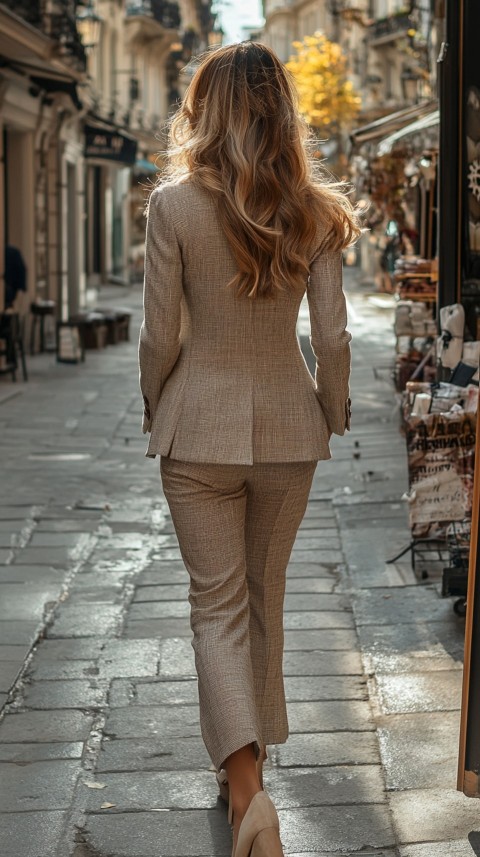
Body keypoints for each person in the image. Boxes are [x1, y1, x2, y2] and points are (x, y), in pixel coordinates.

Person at [138, 42, 360, 857]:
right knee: (263, 598)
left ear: (206, 109)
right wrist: (333, 410)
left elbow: (161, 333)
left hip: (197, 427)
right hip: (287, 430)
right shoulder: (317, 210)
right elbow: (331, 338)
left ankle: (247, 789)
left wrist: (156, 400)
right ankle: (248, 771)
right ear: (283, 110)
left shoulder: (172, 206)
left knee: (216, 606)